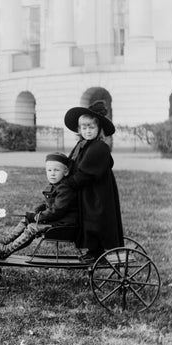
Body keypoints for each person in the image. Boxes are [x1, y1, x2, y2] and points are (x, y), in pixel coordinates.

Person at [63, 100, 124, 263]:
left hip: (97, 194)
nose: (87, 131)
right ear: (79, 129)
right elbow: (73, 163)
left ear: (99, 129)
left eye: (91, 127)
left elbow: (85, 174)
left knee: (94, 220)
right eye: (84, 128)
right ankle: (93, 250)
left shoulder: (98, 147)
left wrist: (69, 183)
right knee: (87, 220)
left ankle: (97, 253)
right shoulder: (83, 145)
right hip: (88, 192)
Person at [0, 152, 77, 259]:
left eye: (56, 170)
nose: (52, 173)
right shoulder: (56, 185)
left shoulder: (65, 189)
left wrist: (38, 217)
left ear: (66, 172)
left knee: (32, 227)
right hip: (55, 221)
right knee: (26, 220)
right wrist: (40, 208)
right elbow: (51, 203)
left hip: (63, 224)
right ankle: (7, 240)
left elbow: (56, 210)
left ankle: (6, 250)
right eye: (49, 170)